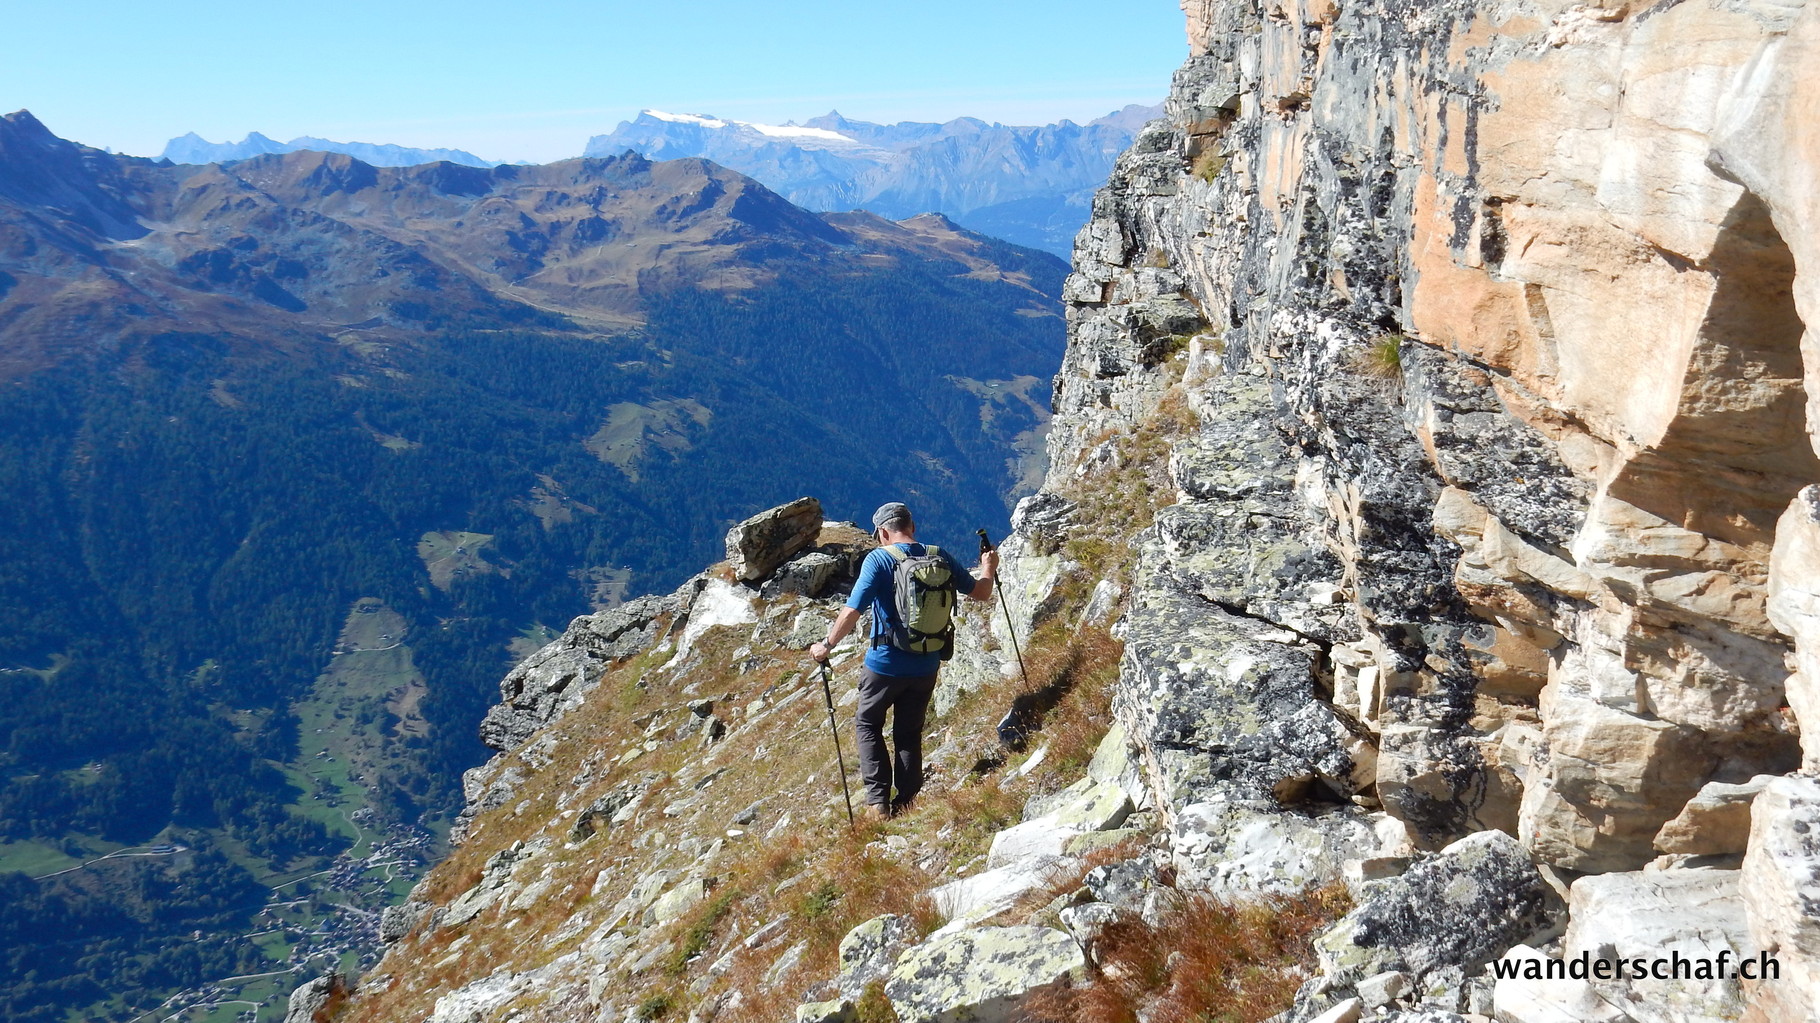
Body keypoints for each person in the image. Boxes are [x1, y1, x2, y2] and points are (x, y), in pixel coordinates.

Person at [810, 501, 998, 818]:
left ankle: (877, 803)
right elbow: (980, 592)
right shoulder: (939, 555)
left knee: (868, 725)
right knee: (908, 733)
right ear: (912, 527)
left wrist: (826, 645)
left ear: (883, 532)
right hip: (927, 664)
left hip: (884, 665)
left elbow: (853, 609)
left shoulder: (879, 560)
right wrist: (989, 566)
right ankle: (907, 802)